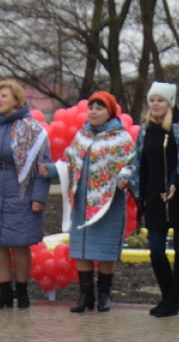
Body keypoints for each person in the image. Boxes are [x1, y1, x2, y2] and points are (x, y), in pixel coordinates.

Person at [45, 91, 134, 313]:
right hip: (82, 201)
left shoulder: (120, 137)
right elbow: (69, 161)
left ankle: (104, 295)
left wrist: (125, 176)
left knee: (104, 249)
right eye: (91, 108)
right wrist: (52, 170)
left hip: (107, 203)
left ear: (109, 112)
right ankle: (86, 295)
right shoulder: (81, 136)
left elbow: (131, 162)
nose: (93, 112)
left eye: (99, 108)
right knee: (81, 248)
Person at [0, 80, 52, 310]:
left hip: (21, 194)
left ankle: (22, 292)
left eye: (4, 96)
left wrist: (38, 198)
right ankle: (4, 292)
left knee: (20, 243)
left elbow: (43, 165)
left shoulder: (34, 129)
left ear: (17, 100)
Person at [118, 82, 179, 317]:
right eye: (152, 100)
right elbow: (138, 163)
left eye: (160, 100)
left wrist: (176, 182)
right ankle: (168, 297)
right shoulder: (145, 131)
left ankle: (173, 300)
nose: (155, 104)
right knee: (155, 250)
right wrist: (126, 178)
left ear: (170, 103)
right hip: (154, 197)